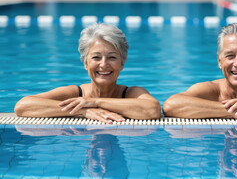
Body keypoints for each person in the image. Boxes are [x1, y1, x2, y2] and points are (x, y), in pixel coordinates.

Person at [15, 23, 161, 123]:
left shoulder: (131, 93)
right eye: (96, 57)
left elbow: (152, 110)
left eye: (112, 57)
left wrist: (95, 102)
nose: (103, 64)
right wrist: (83, 111)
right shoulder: (75, 93)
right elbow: (23, 106)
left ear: (122, 63)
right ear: (85, 63)